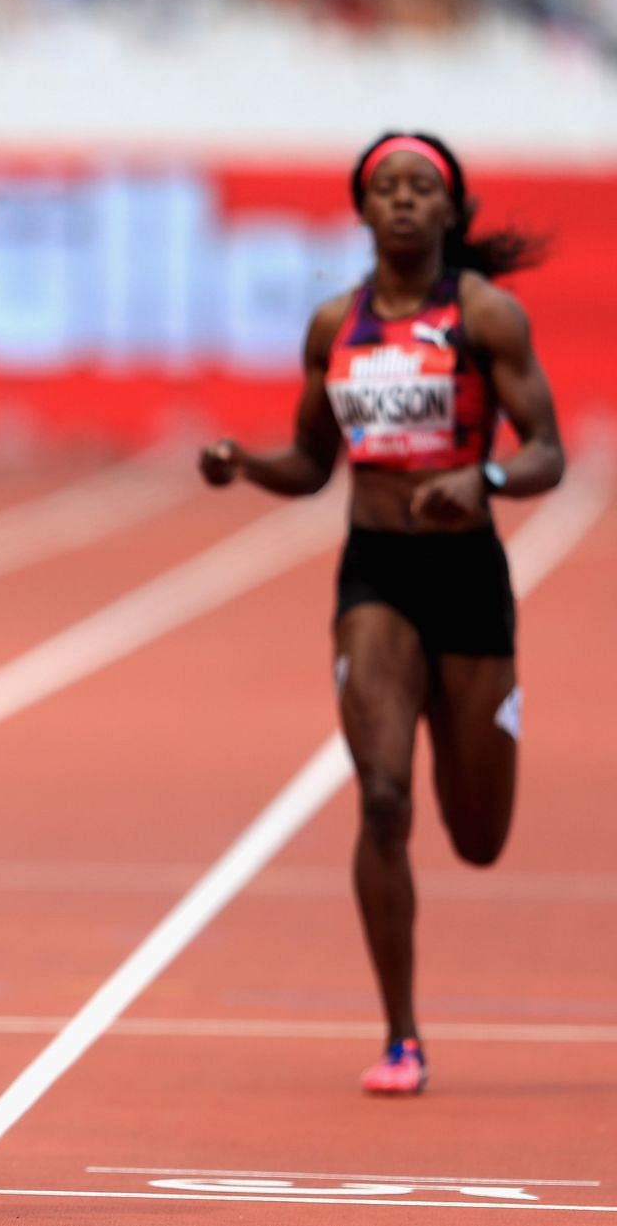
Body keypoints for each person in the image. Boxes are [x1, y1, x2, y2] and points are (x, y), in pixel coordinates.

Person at [199, 132, 565, 1096]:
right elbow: (311, 464)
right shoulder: (334, 326)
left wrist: (480, 477)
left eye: (421, 188)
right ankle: (402, 1034)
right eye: (385, 189)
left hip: (469, 577)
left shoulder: (486, 314)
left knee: (479, 837)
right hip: (377, 577)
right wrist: (245, 466)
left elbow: (549, 454)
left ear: (451, 210)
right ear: (362, 213)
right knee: (384, 795)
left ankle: (473, 727)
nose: (403, 201)